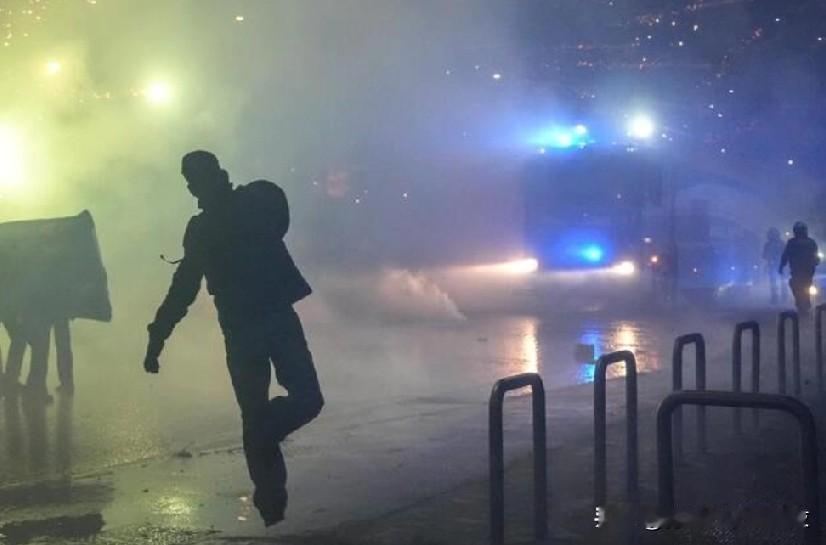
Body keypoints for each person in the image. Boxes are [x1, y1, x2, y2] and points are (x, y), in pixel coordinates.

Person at [143, 150, 323, 526]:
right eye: (190, 182)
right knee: (278, 409)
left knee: (293, 406)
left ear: (213, 175)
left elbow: (184, 288)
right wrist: (158, 333)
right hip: (247, 327)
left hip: (267, 320)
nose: (193, 188)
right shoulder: (215, 222)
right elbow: (184, 287)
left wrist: (158, 335)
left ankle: (264, 449)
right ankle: (271, 503)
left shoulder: (251, 203)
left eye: (195, 180)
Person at [779, 221, 820, 314]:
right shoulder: (809, 242)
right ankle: (803, 302)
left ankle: (802, 302)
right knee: (801, 285)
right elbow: (786, 255)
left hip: (801, 269)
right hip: (803, 270)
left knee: (798, 285)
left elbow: (785, 255)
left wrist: (781, 266)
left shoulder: (794, 242)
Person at [762, 227, 785, 304]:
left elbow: (764, 256)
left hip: (776, 265)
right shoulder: (781, 243)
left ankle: (776, 297)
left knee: (775, 281)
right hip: (777, 265)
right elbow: (764, 255)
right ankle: (781, 296)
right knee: (779, 281)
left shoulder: (768, 244)